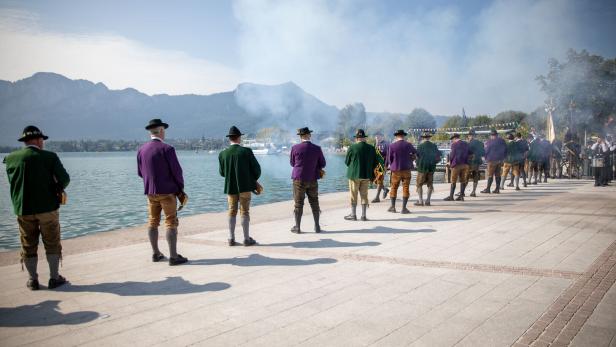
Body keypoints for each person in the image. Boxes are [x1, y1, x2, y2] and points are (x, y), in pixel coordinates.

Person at [3, 126, 70, 290]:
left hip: (23, 208)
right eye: (42, 140)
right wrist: (56, 186)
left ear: (25, 141)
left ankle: (32, 280)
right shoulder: (49, 157)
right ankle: (54, 278)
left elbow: (13, 182)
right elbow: (65, 179)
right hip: (47, 207)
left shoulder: (11, 158)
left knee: (28, 243)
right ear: (39, 140)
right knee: (52, 242)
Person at [137, 119, 188, 265]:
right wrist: (180, 189)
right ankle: (173, 257)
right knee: (171, 222)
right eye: (163, 130)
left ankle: (156, 254)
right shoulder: (167, 149)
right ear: (160, 130)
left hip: (150, 192)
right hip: (167, 192)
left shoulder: (141, 150)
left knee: (153, 222)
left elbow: (141, 173)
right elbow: (177, 172)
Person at [219, 126, 261, 245]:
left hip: (230, 188)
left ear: (229, 139)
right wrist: (252, 180)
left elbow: (222, 173)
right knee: (245, 211)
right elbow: (257, 170)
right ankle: (246, 239)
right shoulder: (246, 152)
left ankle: (231, 239)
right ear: (239, 138)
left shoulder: (222, 154)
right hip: (245, 187)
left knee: (232, 211)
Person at [289, 127, 326, 233]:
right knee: (314, 202)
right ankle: (317, 226)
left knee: (298, 203)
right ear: (309, 135)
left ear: (300, 137)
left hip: (299, 179)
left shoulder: (295, 148)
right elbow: (323, 164)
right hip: (313, 178)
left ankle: (297, 227)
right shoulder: (317, 148)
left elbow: (292, 163)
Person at [344, 129, 380, 221]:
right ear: (364, 138)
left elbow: (347, 162)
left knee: (353, 195)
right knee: (364, 195)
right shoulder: (371, 148)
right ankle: (363, 216)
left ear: (356, 138)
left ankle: (353, 214)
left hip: (354, 175)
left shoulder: (352, 147)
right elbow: (376, 162)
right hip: (366, 175)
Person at [386, 129, 417, 214]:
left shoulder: (392, 146)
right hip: (407, 169)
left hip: (396, 170)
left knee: (394, 187)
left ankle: (393, 207)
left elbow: (390, 159)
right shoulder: (408, 145)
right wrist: (411, 157)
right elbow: (415, 153)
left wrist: (390, 166)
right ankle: (404, 208)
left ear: (396, 136)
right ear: (403, 136)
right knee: (406, 187)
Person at [415, 132, 441, 206]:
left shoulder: (420, 146)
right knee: (430, 184)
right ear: (429, 138)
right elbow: (438, 157)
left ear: (423, 138)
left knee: (419, 184)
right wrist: (434, 163)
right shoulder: (434, 146)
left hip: (422, 168)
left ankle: (420, 201)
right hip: (431, 168)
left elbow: (417, 157)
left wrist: (417, 163)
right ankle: (428, 201)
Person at [444, 133, 470, 201]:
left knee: (453, 181)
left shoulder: (454, 145)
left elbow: (452, 155)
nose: (452, 141)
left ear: (455, 138)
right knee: (463, 180)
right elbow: (469, 153)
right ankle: (461, 196)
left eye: (452, 139)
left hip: (456, 165)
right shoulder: (466, 144)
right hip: (465, 164)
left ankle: (451, 197)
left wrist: (450, 162)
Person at [481, 129, 507, 194]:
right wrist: (503, 158)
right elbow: (506, 150)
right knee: (498, 175)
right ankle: (497, 189)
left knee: (490, 175)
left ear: (491, 135)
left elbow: (486, 151)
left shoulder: (489, 142)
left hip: (491, 161)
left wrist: (485, 157)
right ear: (497, 135)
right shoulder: (502, 141)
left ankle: (488, 189)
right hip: (500, 160)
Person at [371, 132, 390, 202]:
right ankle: (385, 189)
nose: (377, 138)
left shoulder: (386, 144)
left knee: (379, 180)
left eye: (378, 136)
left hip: (382, 165)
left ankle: (377, 197)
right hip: (375, 165)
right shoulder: (375, 144)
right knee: (374, 180)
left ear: (382, 136)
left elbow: (388, 155)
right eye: (376, 137)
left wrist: (386, 165)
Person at [467, 129, 485, 197]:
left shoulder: (468, 143)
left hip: (470, 162)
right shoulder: (480, 143)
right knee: (475, 176)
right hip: (477, 162)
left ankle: (462, 192)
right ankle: (473, 191)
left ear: (469, 136)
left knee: (466, 176)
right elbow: (483, 153)